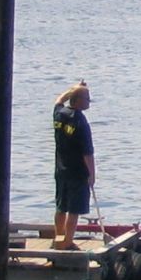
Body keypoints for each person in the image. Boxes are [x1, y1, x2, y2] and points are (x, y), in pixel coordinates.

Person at [52, 81, 95, 250]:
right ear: (77, 101)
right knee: (74, 209)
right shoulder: (80, 122)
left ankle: (58, 237)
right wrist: (92, 174)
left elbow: (58, 100)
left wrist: (72, 89)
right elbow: (87, 153)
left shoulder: (59, 114)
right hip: (77, 172)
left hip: (61, 170)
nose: (89, 101)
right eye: (86, 98)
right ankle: (67, 241)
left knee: (61, 206)